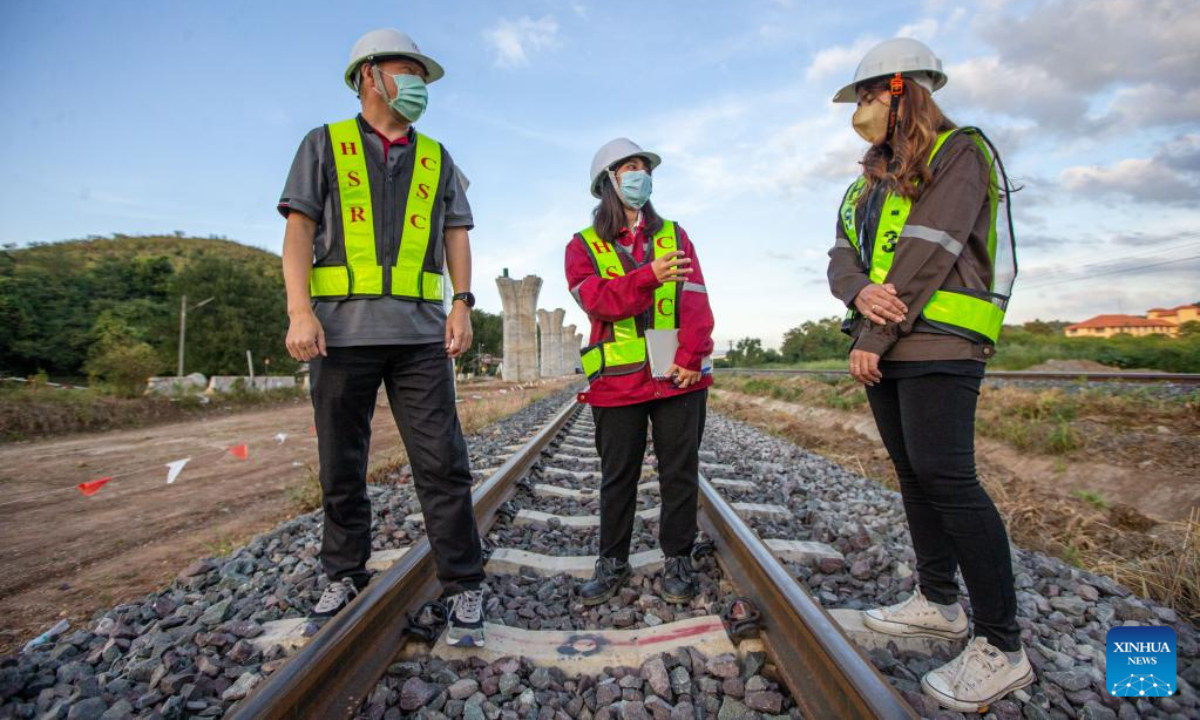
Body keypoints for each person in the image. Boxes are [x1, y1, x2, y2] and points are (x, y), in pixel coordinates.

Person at [825, 38, 1029, 712]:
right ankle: (938, 600)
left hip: (939, 340)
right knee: (915, 476)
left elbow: (933, 246)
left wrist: (876, 332)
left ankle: (1003, 645)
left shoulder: (960, 151)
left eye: (865, 96)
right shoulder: (866, 180)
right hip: (886, 346)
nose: (860, 110)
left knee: (949, 477)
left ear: (901, 88)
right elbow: (840, 255)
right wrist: (857, 297)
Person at [279, 28, 485, 647]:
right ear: (370, 76)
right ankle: (344, 573)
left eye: (421, 75)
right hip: (339, 334)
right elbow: (297, 233)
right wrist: (299, 311)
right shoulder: (324, 144)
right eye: (408, 71)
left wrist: (463, 304)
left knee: (443, 462)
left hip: (421, 335)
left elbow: (456, 233)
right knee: (341, 463)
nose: (419, 84)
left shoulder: (438, 157)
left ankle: (464, 584)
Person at [564, 138, 715, 607]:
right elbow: (600, 302)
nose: (641, 174)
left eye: (644, 167)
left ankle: (678, 558)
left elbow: (695, 295)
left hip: (677, 375)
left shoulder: (674, 234)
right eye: (630, 167)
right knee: (618, 475)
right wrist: (648, 274)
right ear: (608, 182)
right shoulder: (581, 247)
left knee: (679, 471)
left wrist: (693, 355)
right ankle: (612, 561)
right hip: (617, 383)